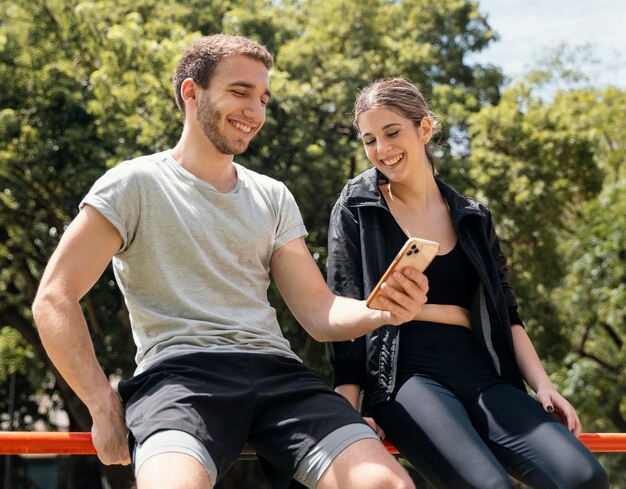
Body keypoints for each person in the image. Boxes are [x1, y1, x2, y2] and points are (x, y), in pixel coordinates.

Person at [32, 36, 428, 489]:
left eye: (262, 99)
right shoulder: (133, 183)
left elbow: (319, 312)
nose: (255, 112)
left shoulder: (273, 195)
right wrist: (101, 404)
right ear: (191, 92)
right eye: (240, 93)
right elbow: (54, 297)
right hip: (180, 378)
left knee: (387, 485)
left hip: (278, 375)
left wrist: (381, 309)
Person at [327, 78, 609, 489]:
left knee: (584, 477)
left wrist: (544, 385)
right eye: (369, 140)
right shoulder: (357, 205)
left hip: (481, 369)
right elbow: (343, 310)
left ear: (424, 129)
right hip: (404, 375)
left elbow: (507, 314)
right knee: (489, 486)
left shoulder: (473, 216)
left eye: (392, 133)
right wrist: (347, 413)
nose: (381, 150)